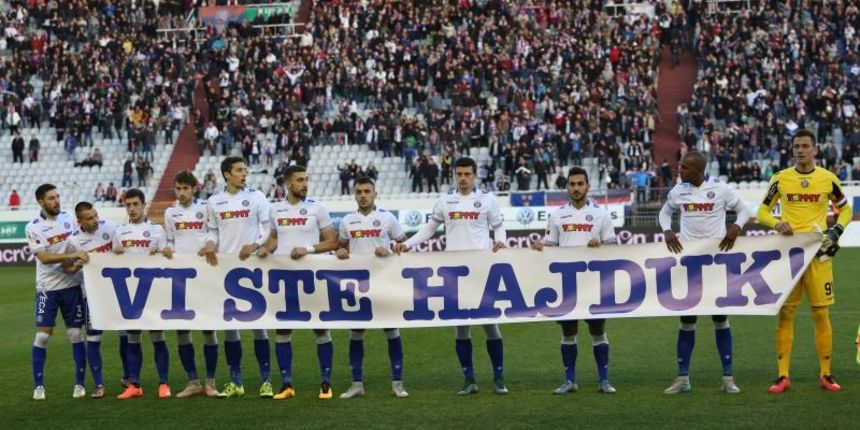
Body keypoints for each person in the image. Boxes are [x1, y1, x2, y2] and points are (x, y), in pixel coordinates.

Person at [394, 157, 509, 396]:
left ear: (475, 175)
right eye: (460, 174)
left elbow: (498, 225)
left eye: (468, 174)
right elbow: (428, 230)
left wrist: (501, 240)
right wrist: (407, 244)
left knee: (490, 325)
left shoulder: (487, 200)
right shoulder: (445, 200)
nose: (463, 178)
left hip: (481, 272)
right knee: (461, 328)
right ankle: (469, 379)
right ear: (454, 175)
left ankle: (499, 377)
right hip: (455, 274)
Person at [757, 130, 853, 394]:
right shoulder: (780, 179)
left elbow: (846, 208)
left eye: (805, 146)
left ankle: (826, 374)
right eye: (796, 146)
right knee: (786, 313)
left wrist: (836, 231)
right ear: (792, 150)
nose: (800, 150)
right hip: (789, 256)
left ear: (815, 149)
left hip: (818, 254)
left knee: (821, 313)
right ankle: (782, 376)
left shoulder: (828, 179)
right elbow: (762, 212)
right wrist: (777, 223)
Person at [658, 152, 751, 395]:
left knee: (720, 318)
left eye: (685, 167)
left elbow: (744, 211)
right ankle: (682, 378)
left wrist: (735, 227)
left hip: (716, 263)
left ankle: (728, 377)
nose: (680, 169)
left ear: (698, 171)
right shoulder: (680, 190)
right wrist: (667, 231)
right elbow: (664, 213)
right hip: (689, 264)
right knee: (687, 320)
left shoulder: (721, 189)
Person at [531, 167, 618, 395]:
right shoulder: (557, 215)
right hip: (567, 284)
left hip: (594, 282)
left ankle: (604, 380)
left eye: (580, 184)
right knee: (568, 331)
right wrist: (541, 246)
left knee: (598, 330)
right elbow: (550, 246)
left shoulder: (602, 214)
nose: (576, 188)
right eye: (572, 184)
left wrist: (600, 243)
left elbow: (614, 248)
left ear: (588, 186)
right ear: (567, 187)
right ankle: (570, 380)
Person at [256, 165, 339, 400]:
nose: (305, 184)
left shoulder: (317, 208)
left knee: (320, 328)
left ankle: (325, 383)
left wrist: (308, 249)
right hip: (284, 278)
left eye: (306, 179)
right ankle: (287, 385)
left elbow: (332, 241)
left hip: (311, 277)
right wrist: (264, 249)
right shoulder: (275, 209)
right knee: (282, 330)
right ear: (288, 184)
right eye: (300, 180)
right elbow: (273, 239)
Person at [199, 156, 273, 399]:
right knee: (231, 328)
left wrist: (254, 244)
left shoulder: (257, 197)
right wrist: (209, 243)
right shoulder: (214, 201)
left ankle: (266, 382)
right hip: (225, 269)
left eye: (245, 169)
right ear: (226, 174)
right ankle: (236, 381)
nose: (244, 174)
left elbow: (267, 228)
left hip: (252, 268)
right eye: (239, 170)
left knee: (259, 327)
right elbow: (212, 231)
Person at [335, 177, 409, 399]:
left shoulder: (387, 218)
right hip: (359, 286)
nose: (363, 195)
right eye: (359, 192)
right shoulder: (347, 221)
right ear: (354, 195)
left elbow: (403, 244)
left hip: (384, 283)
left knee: (391, 331)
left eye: (367, 191)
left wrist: (391, 250)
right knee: (356, 334)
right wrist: (339, 250)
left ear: (375, 194)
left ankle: (397, 383)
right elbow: (341, 245)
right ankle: (356, 384)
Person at [25, 184, 90, 400]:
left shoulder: (68, 218)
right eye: (51, 198)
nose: (56, 201)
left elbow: (74, 245)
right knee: (43, 336)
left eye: (57, 197)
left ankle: (80, 384)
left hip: (72, 285)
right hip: (48, 289)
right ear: (41, 202)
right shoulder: (33, 227)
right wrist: (68, 258)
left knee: (75, 334)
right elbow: (43, 257)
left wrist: (78, 261)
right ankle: (38, 386)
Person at [162, 171, 220, 398]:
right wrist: (167, 247)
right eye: (178, 188)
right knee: (182, 330)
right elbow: (169, 239)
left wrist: (209, 244)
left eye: (186, 188)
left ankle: (211, 382)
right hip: (180, 277)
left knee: (208, 328)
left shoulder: (205, 208)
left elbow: (213, 233)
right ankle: (192, 381)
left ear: (195, 188)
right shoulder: (170, 212)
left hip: (205, 274)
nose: (182, 193)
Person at [112, 188, 172, 400]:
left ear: (144, 205)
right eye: (128, 205)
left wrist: (163, 253)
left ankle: (163, 383)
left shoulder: (157, 230)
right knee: (133, 338)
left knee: (158, 337)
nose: (132, 209)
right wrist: (115, 254)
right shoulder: (119, 232)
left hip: (152, 291)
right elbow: (113, 262)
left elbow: (167, 258)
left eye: (136, 204)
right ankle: (134, 384)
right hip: (129, 295)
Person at [66, 201, 118, 399]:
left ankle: (129, 379)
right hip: (92, 296)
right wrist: (77, 264)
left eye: (95, 215)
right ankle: (99, 384)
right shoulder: (74, 241)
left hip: (117, 293)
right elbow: (68, 269)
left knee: (126, 336)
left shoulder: (110, 228)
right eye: (89, 218)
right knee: (94, 339)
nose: (95, 220)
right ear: (79, 221)